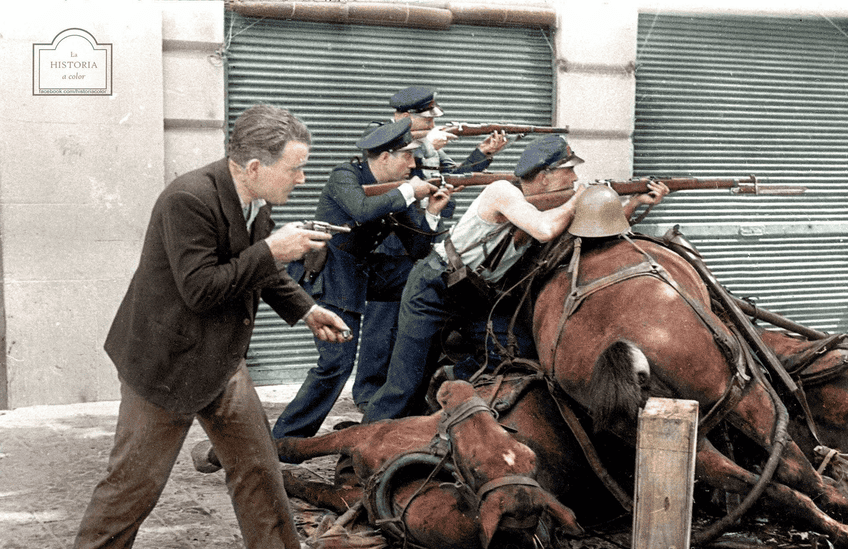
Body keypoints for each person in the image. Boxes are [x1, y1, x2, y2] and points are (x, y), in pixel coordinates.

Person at [59, 104, 350, 549]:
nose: (304, 179)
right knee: (134, 483)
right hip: (165, 364)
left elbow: (255, 272)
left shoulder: (253, 200)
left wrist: (306, 309)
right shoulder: (188, 199)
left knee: (258, 465)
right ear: (254, 165)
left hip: (220, 361)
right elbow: (200, 289)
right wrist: (271, 249)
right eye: (296, 167)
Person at [362, 134, 669, 423]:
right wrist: (578, 200)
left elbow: (587, 234)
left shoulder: (552, 208)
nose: (575, 179)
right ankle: (359, 452)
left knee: (514, 351)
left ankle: (449, 388)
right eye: (568, 172)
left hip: (475, 293)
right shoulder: (502, 192)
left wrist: (634, 203)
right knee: (405, 381)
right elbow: (545, 230)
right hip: (434, 285)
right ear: (545, 176)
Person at [271, 118, 454, 440]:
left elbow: (418, 249)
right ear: (385, 157)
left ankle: (405, 394)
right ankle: (287, 437)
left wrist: (431, 214)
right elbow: (361, 210)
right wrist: (409, 191)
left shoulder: (400, 190)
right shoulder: (346, 176)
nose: (414, 164)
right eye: (407, 157)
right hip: (333, 273)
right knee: (336, 363)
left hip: (365, 270)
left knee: (430, 277)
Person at [352, 86, 509, 412]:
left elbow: (451, 179)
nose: (431, 122)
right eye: (425, 117)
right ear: (406, 116)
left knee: (412, 326)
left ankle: (403, 395)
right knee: (382, 325)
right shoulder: (379, 135)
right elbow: (387, 182)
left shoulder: (429, 143)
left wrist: (482, 154)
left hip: (423, 238)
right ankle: (368, 395)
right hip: (390, 243)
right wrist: (426, 146)